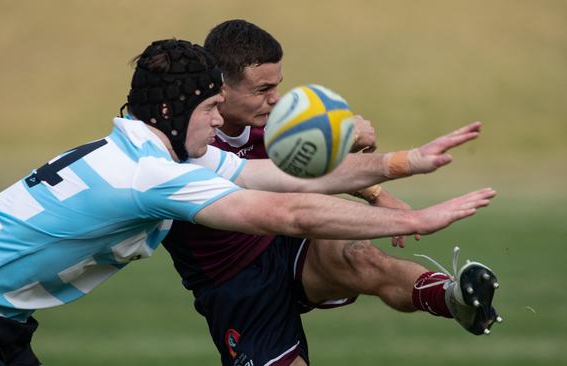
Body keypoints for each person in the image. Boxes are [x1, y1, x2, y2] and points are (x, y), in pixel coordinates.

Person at [0, 38, 494, 366]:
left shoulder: (159, 153)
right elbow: (288, 215)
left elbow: (287, 181)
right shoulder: (150, 176)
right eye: (210, 108)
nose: (221, 121)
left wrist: (404, 163)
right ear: (174, 112)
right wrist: (421, 218)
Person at [162, 20, 501, 366]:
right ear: (220, 87)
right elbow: (258, 185)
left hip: (286, 241)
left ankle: (452, 297)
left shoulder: (279, 121)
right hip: (234, 280)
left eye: (277, 86)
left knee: (360, 256)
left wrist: (364, 179)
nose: (275, 99)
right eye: (262, 90)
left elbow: (307, 168)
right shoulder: (188, 136)